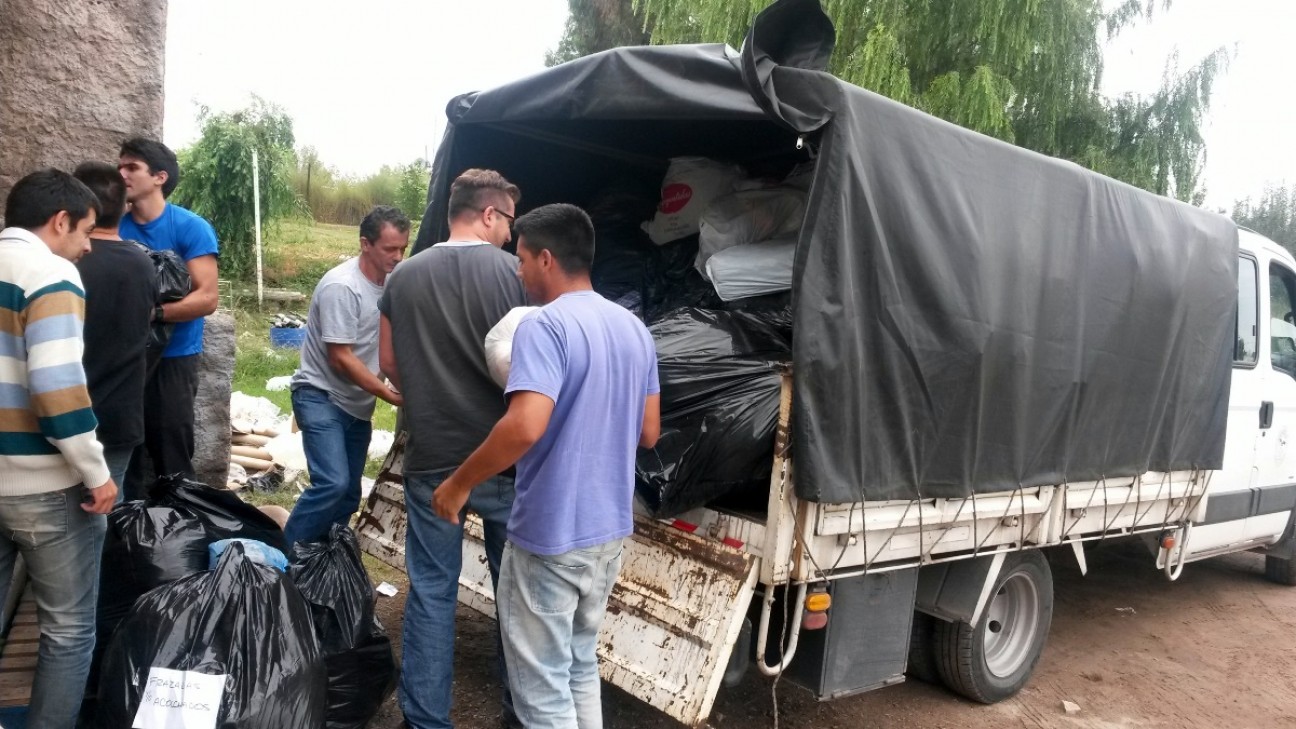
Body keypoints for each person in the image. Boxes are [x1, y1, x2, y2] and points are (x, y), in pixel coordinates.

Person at [431, 203, 660, 729]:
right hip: (607, 532)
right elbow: (648, 432)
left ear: (547, 260)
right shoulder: (634, 330)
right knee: (579, 665)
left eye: (522, 258)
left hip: (550, 535)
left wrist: (459, 484)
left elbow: (525, 425)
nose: (518, 270)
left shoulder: (544, 327)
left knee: (541, 693)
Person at [378, 169, 526, 729]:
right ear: (488, 214)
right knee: (515, 593)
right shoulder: (514, 274)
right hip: (502, 459)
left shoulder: (404, 277)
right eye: (509, 221)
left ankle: (425, 720)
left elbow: (390, 364)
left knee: (432, 591)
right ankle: (521, 711)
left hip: (432, 460)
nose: (512, 235)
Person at [0, 169, 119, 729]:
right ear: (60, 220)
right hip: (42, 486)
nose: (87, 245)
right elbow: (57, 390)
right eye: (85, 231)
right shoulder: (51, 276)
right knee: (69, 633)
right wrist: (95, 472)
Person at [283, 205, 408, 546]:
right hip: (320, 395)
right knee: (332, 484)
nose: (397, 257)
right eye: (389, 249)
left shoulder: (394, 285)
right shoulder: (343, 286)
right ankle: (282, 564)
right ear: (365, 244)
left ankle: (323, 560)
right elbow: (341, 359)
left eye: (403, 248)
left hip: (356, 405)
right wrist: (391, 395)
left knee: (349, 496)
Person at [117, 138, 219, 487]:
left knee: (171, 450)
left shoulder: (190, 227)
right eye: (119, 166)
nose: (122, 174)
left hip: (174, 358)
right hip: (124, 358)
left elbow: (207, 298)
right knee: (121, 449)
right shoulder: (113, 228)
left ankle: (179, 531)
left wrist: (152, 314)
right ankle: (124, 531)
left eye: (131, 167)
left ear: (160, 177)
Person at [73, 162, 157, 495]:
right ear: (124, 206)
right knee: (108, 516)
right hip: (119, 417)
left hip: (63, 417)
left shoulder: (63, 264)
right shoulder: (142, 263)